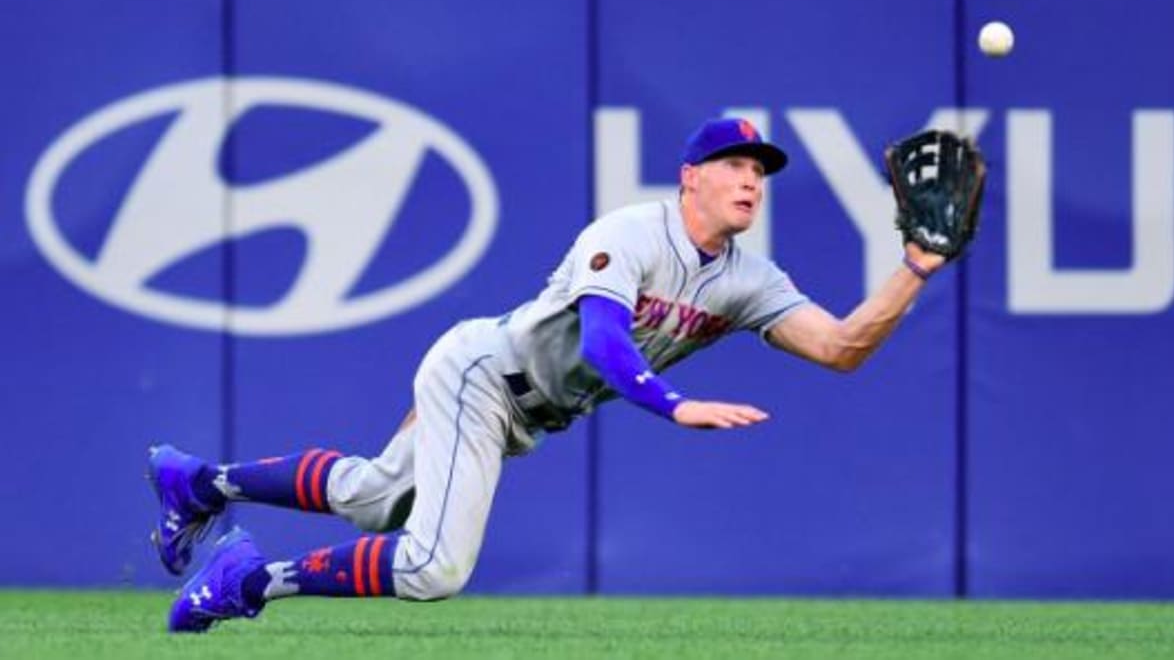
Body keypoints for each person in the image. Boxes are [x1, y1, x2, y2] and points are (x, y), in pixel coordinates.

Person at [150, 117, 949, 632]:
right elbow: (605, 341)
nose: (750, 179)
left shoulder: (749, 278)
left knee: (368, 496)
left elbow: (842, 346)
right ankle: (250, 579)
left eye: (760, 169)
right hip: (482, 373)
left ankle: (202, 485)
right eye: (732, 162)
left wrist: (916, 267)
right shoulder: (633, 232)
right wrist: (675, 406)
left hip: (520, 408)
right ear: (690, 176)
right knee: (433, 566)